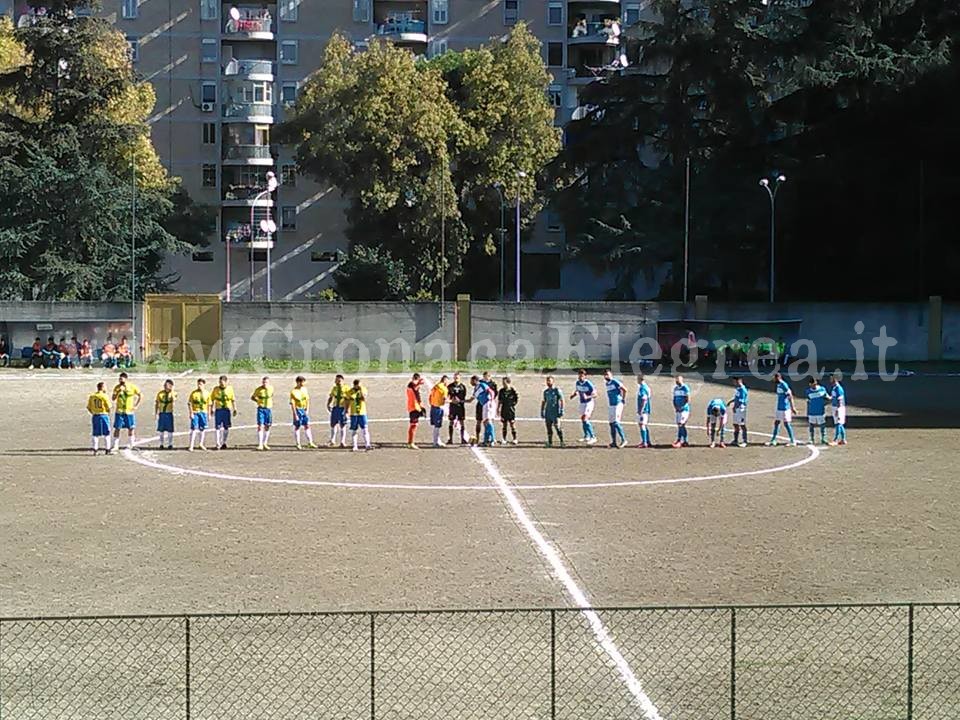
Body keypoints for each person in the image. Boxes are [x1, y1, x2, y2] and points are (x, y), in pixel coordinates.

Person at [110, 372, 142, 452]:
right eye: (119, 379)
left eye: (122, 379)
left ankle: (132, 445)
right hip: (119, 411)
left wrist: (136, 405)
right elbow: (113, 398)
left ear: (126, 379)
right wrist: (117, 392)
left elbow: (140, 395)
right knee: (117, 428)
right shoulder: (117, 387)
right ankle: (115, 446)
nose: (120, 380)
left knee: (131, 428)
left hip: (129, 411)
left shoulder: (132, 387)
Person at [767, 371, 797, 446]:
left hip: (785, 408)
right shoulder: (778, 385)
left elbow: (790, 395)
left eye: (774, 378)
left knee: (786, 424)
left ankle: (793, 440)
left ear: (778, 377)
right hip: (779, 407)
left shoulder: (784, 385)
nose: (773, 380)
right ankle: (773, 440)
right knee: (777, 422)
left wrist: (793, 407)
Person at [209, 375, 237, 450]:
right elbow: (212, 399)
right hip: (219, 409)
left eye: (223, 382)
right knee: (217, 426)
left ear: (226, 382)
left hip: (227, 410)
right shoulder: (216, 389)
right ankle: (218, 443)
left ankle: (224, 442)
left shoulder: (230, 389)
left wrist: (235, 409)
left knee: (226, 427)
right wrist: (212, 409)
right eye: (220, 382)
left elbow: (233, 399)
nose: (221, 384)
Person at [570, 369, 598, 444]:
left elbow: (595, 394)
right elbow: (577, 390)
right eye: (579, 375)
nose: (580, 377)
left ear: (585, 376)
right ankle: (586, 436)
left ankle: (593, 437)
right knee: (583, 419)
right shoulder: (578, 383)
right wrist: (574, 395)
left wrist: (587, 397)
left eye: (582, 376)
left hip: (589, 403)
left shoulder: (588, 384)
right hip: (582, 403)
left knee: (585, 418)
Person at [290, 375, 317, 449]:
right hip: (298, 409)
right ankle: (298, 443)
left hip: (304, 409)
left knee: (307, 425)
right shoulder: (293, 392)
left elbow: (307, 400)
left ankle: (310, 442)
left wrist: (307, 409)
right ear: (298, 382)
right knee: (297, 426)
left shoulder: (304, 389)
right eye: (302, 382)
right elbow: (293, 404)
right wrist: (295, 414)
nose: (303, 384)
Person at [469, 375, 496, 447]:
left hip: (488, 403)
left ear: (475, 380)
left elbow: (491, 392)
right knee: (485, 422)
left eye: (471, 381)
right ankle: (486, 440)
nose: (470, 382)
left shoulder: (482, 385)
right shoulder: (475, 390)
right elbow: (470, 400)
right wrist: (460, 401)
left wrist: (491, 400)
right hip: (484, 405)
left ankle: (492, 440)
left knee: (488, 421)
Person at [86, 381, 112, 455]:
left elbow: (88, 407)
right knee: (107, 433)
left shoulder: (92, 396)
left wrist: (93, 412)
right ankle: (107, 449)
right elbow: (109, 407)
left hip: (95, 415)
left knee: (95, 433)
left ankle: (95, 449)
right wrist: (107, 412)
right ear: (103, 387)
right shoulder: (104, 396)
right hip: (103, 415)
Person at [603, 369, 626, 448]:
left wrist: (623, 399)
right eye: (605, 375)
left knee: (616, 422)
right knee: (611, 423)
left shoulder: (615, 382)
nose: (606, 376)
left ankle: (624, 440)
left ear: (611, 375)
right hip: (611, 405)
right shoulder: (607, 384)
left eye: (608, 374)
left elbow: (624, 389)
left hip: (618, 404)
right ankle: (614, 442)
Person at [347, 378, 372, 452]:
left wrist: (360, 390)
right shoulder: (350, 392)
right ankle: (355, 446)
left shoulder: (363, 390)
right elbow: (348, 400)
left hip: (362, 412)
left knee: (365, 428)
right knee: (354, 430)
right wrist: (346, 410)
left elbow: (364, 398)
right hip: (354, 413)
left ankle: (367, 444)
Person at [187, 378, 211, 451]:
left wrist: (209, 414)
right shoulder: (193, 393)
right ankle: (191, 445)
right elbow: (190, 403)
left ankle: (201, 443)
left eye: (200, 384)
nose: (199, 385)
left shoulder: (207, 393)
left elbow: (209, 404)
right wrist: (191, 413)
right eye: (198, 384)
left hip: (203, 412)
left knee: (202, 429)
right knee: (194, 428)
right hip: (195, 412)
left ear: (204, 385)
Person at [251, 376, 274, 450]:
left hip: (268, 409)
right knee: (260, 425)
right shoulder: (258, 390)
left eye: (266, 382)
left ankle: (265, 443)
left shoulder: (271, 388)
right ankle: (260, 444)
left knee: (267, 426)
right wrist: (258, 401)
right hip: (261, 409)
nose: (265, 384)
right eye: (263, 382)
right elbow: (253, 397)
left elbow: (272, 395)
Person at [541, 375, 565, 447]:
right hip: (548, 412)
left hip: (555, 412)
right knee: (548, 428)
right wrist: (542, 410)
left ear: (553, 382)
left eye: (549, 381)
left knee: (557, 427)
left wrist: (561, 409)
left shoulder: (557, 390)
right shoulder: (546, 392)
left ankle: (562, 441)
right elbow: (544, 401)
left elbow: (562, 400)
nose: (548, 382)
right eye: (547, 381)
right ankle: (550, 442)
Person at [446, 372, 468, 445]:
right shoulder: (450, 386)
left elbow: (463, 397)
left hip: (460, 407)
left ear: (460, 378)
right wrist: (451, 400)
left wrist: (459, 401)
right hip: (452, 407)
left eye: (457, 378)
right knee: (451, 422)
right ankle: (450, 439)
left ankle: (462, 438)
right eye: (455, 378)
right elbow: (447, 396)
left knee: (461, 422)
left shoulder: (463, 387)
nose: (456, 379)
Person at [327, 374, 349, 447]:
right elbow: (331, 396)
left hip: (342, 408)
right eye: (336, 380)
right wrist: (328, 404)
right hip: (335, 407)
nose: (337, 382)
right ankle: (332, 440)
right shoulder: (334, 388)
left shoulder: (346, 388)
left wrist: (346, 410)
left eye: (339, 380)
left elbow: (348, 399)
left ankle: (342, 441)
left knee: (343, 425)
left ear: (342, 380)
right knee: (333, 424)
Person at [405, 373, 426, 449]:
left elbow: (418, 396)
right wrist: (419, 382)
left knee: (414, 425)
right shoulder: (411, 385)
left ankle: (410, 442)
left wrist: (421, 406)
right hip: (413, 408)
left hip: (416, 407)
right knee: (413, 425)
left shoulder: (414, 386)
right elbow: (415, 387)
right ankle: (410, 442)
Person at [154, 379, 176, 450]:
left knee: (170, 430)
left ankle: (170, 444)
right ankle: (161, 444)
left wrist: (171, 391)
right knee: (161, 430)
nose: (165, 386)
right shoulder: (160, 393)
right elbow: (157, 403)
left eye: (167, 385)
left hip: (169, 413)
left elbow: (174, 400)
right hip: (162, 413)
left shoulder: (173, 393)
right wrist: (156, 412)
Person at [727, 377, 749, 448]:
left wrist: (735, 407)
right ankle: (735, 440)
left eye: (735, 382)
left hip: (741, 409)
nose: (734, 383)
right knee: (735, 424)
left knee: (742, 425)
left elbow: (741, 401)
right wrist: (731, 402)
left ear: (739, 381)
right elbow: (737, 398)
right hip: (737, 409)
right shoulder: (738, 389)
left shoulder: (743, 389)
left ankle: (745, 441)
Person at [428, 375, 449, 448]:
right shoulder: (444, 389)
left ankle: (437, 440)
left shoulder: (435, 386)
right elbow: (445, 399)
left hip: (433, 406)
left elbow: (430, 396)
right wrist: (453, 401)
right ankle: (435, 442)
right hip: (438, 407)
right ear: (445, 381)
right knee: (437, 426)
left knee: (435, 426)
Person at [671, 375, 691, 448]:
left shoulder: (685, 388)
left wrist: (682, 407)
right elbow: (674, 399)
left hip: (684, 410)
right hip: (678, 410)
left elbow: (688, 399)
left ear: (681, 380)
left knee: (681, 424)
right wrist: (675, 407)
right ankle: (684, 441)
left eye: (678, 380)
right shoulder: (675, 389)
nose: (677, 382)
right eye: (676, 380)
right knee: (680, 425)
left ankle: (680, 440)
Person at [498, 377, 519, 445]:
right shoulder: (501, 391)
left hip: (511, 410)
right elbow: (500, 401)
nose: (503, 384)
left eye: (504, 383)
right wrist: (498, 408)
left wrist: (512, 404)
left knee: (512, 423)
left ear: (508, 382)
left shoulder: (513, 391)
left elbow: (516, 399)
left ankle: (515, 439)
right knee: (504, 424)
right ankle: (504, 439)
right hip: (504, 409)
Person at [829, 374, 848, 446]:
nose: (830, 380)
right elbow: (834, 397)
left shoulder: (839, 389)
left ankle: (835, 440)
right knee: (840, 424)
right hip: (836, 407)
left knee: (838, 424)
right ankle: (843, 439)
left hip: (839, 408)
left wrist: (837, 409)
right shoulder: (834, 388)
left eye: (831, 379)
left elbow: (840, 400)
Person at [635, 374, 652, 448]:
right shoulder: (646, 387)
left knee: (642, 425)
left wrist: (641, 410)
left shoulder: (643, 388)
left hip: (644, 410)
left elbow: (644, 399)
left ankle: (644, 442)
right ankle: (647, 441)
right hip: (646, 410)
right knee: (644, 425)